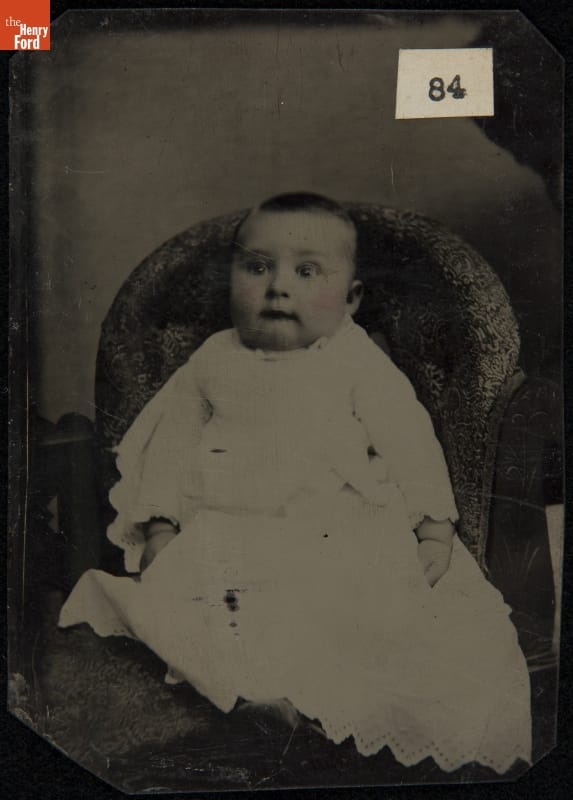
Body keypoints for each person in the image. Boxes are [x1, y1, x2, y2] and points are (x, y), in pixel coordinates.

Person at [59, 192, 531, 774]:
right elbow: (170, 446)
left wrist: (433, 528)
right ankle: (253, 696)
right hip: (228, 530)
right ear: (231, 281)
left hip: (332, 528)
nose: (278, 287)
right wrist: (161, 527)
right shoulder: (212, 359)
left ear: (350, 298)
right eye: (257, 267)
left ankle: (309, 701)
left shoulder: (356, 359)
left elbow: (411, 442)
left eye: (307, 272)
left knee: (347, 610)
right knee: (187, 598)